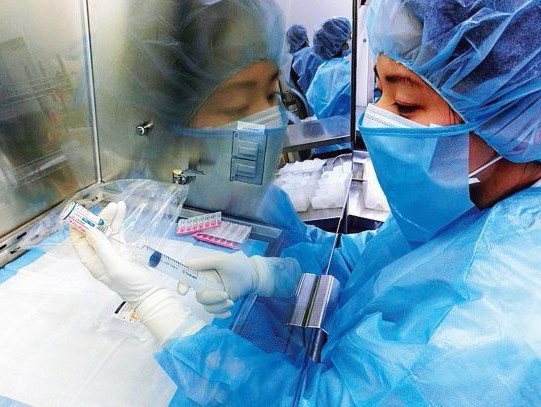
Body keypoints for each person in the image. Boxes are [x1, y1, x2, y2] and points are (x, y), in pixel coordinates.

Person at [72, 0, 541, 404]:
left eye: (404, 105)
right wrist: (268, 274)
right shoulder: (463, 205)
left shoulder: (493, 326)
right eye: (379, 92)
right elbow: (369, 266)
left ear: (512, 119)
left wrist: (165, 316)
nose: (374, 120)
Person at [306, 17, 352, 119]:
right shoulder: (346, 71)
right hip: (344, 125)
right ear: (342, 44)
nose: (350, 41)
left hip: (325, 125)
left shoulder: (322, 69)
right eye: (349, 37)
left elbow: (311, 99)